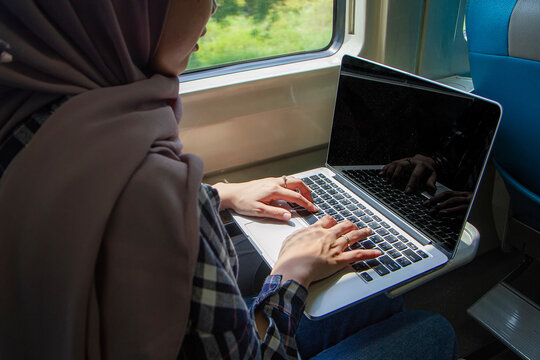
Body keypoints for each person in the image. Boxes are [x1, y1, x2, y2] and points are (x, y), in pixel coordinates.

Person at [0, 0, 457, 359]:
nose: (213, 9)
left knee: (371, 302)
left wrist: (221, 193)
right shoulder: (153, 190)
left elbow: (88, 202)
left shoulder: (30, 118)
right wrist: (290, 275)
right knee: (428, 329)